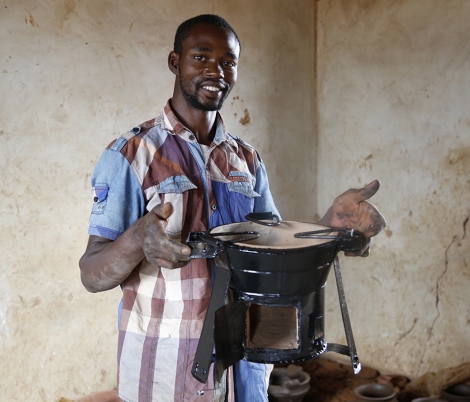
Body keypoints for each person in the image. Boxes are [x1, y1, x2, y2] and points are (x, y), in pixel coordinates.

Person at [79, 14, 386, 402]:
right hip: (166, 373)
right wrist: (138, 238)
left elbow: (274, 245)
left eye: (228, 61)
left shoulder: (247, 160)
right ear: (176, 63)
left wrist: (332, 224)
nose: (216, 71)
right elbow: (92, 275)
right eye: (201, 57)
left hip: (245, 369)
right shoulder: (131, 155)